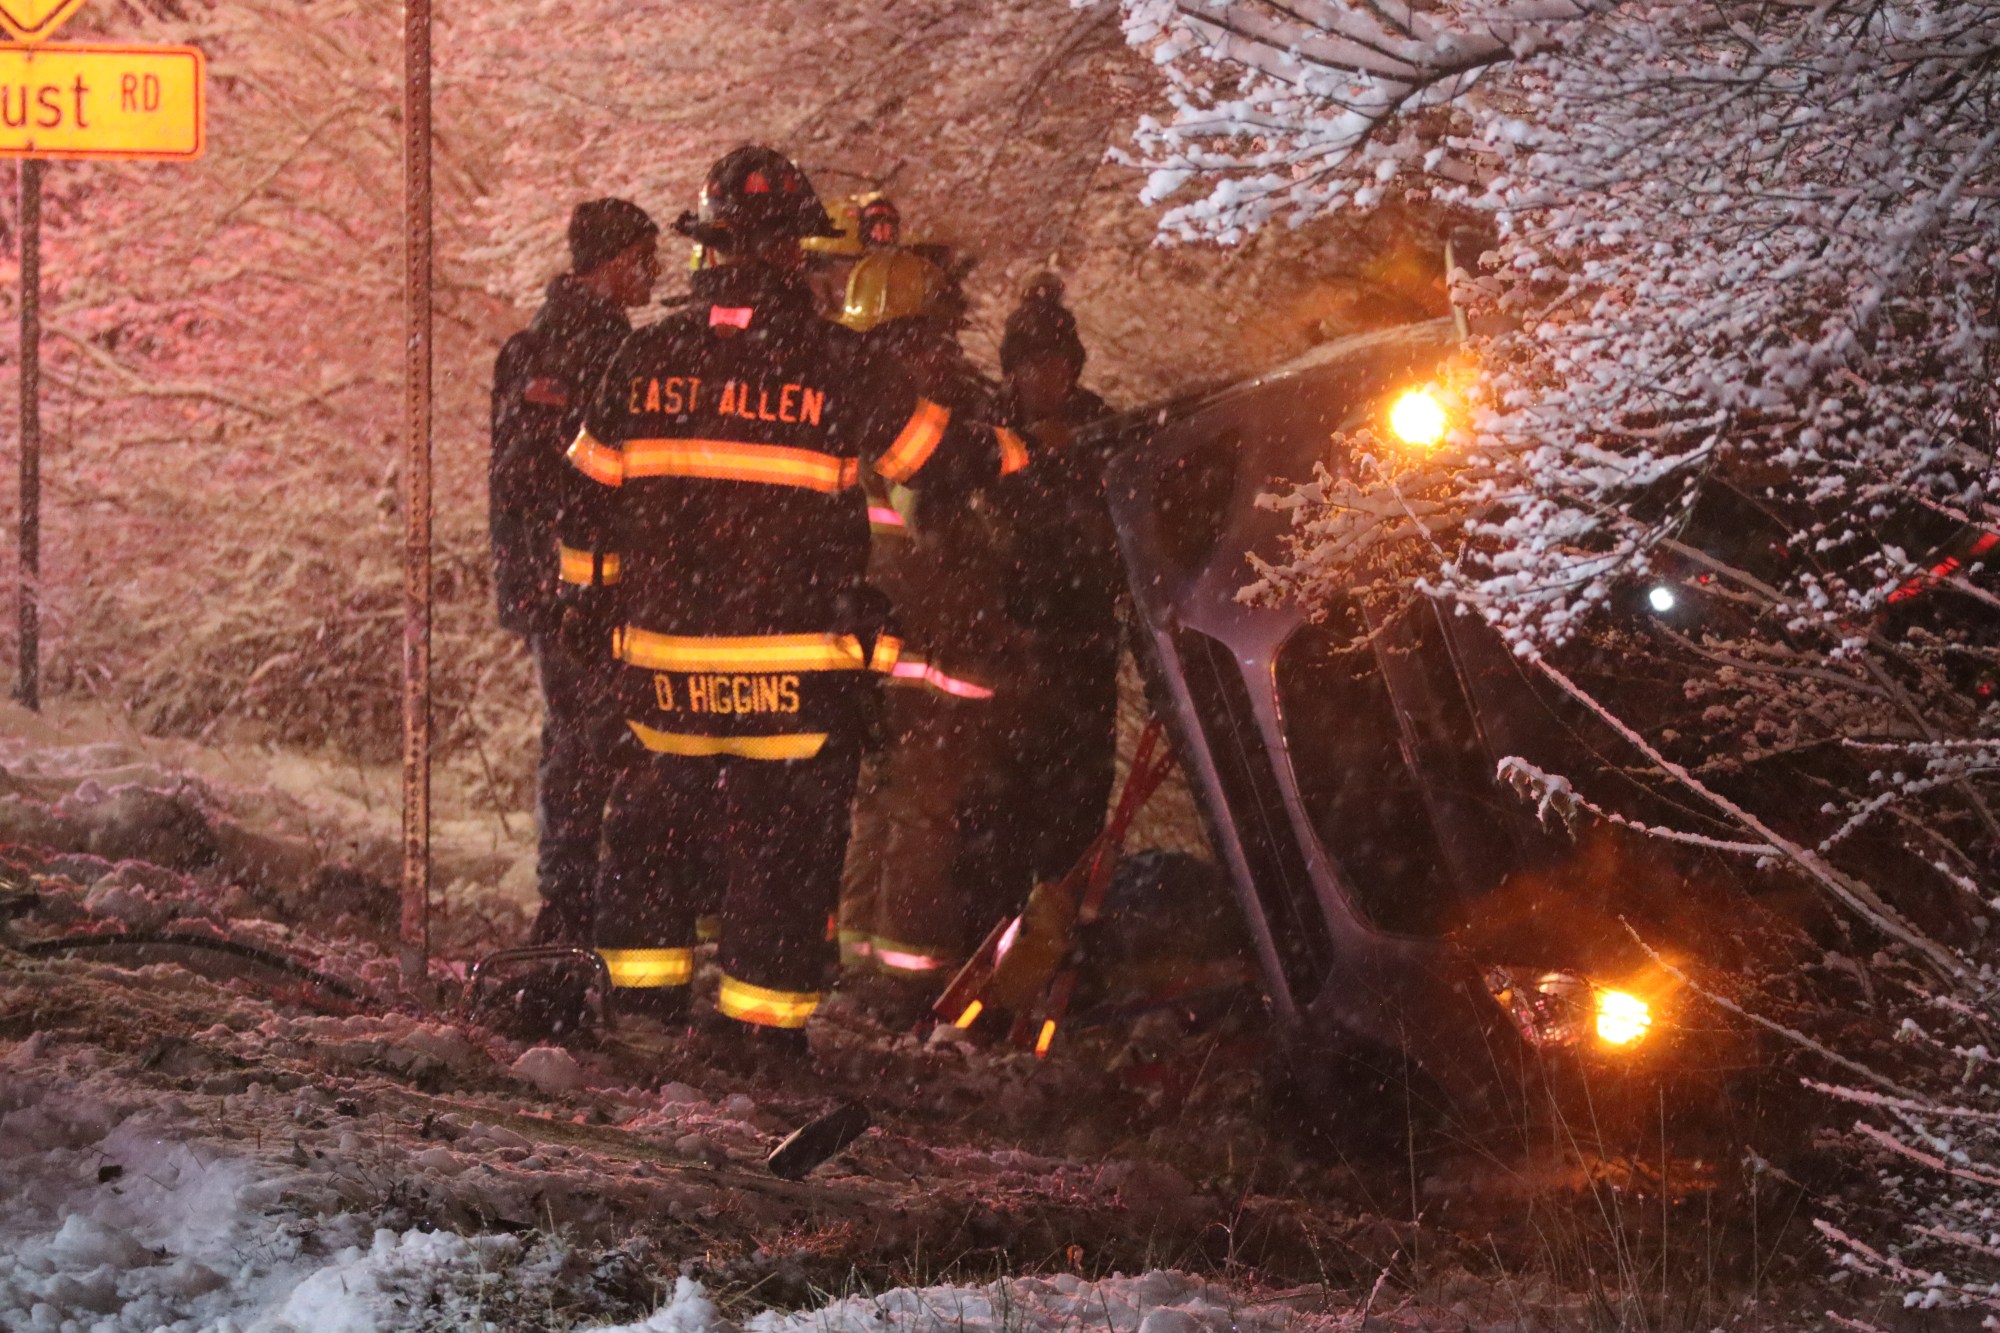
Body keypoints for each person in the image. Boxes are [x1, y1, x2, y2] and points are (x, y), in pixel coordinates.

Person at [555, 146, 1029, 1063]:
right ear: (790, 254)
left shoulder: (637, 361)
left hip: (663, 676)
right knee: (781, 853)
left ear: (704, 249)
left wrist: (588, 603)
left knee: (651, 837)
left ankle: (644, 1019)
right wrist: (1022, 453)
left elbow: (586, 504)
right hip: (793, 679)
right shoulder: (833, 364)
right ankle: (759, 1041)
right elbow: (936, 456)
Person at [833, 245, 1024, 1015]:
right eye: (931, 333)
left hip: (874, 652)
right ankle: (905, 982)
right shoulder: (915, 420)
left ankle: (856, 963)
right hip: (927, 654)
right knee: (923, 819)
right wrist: (1019, 455)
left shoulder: (844, 400)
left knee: (872, 812)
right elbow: (941, 524)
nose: (941, 349)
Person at [489, 198, 661, 946]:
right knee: (584, 741)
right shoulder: (568, 350)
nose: (653, 272)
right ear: (616, 259)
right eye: (643, 257)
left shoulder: (575, 343)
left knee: (586, 741)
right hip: (573, 590)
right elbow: (537, 479)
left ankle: (580, 902)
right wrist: (569, 585)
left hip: (571, 586)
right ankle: (571, 909)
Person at [962, 274, 1121, 922]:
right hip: (1005, 649)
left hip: (1082, 648)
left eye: (1057, 363)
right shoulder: (983, 432)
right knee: (998, 801)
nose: (1045, 377)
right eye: (1031, 364)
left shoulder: (1100, 429)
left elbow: (1121, 528)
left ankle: (1067, 942)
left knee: (1077, 802)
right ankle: (989, 933)